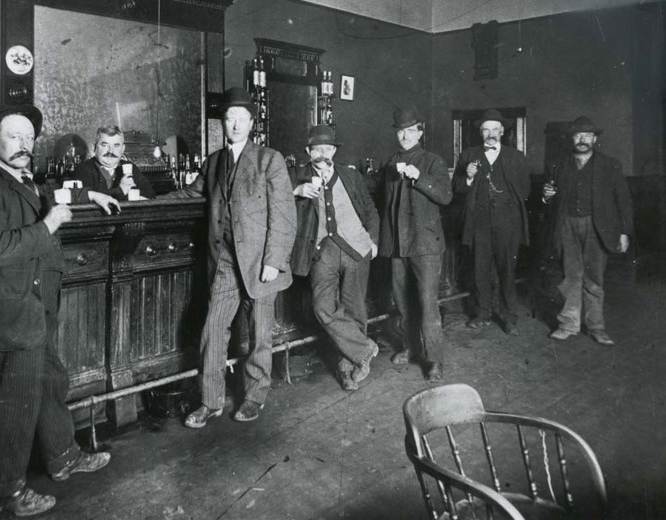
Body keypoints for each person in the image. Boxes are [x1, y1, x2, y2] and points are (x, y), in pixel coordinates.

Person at [0, 104, 121, 517]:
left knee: (49, 382)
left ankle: (63, 457)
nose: (24, 145)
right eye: (15, 137)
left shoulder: (24, 179)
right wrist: (47, 226)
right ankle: (4, 491)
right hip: (9, 312)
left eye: (29, 138)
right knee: (12, 402)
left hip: (33, 308)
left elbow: (55, 194)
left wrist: (93, 193)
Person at [165, 87, 296, 427]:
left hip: (260, 261)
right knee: (212, 328)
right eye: (229, 118)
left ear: (252, 123)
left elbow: (284, 215)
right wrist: (140, 200)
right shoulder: (214, 162)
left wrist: (274, 260)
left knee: (259, 333)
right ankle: (210, 401)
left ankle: (254, 397)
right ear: (222, 123)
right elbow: (190, 194)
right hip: (224, 260)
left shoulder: (270, 159)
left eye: (242, 118)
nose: (235, 124)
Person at [289, 125, 380, 391]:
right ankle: (364, 350)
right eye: (317, 149)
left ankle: (349, 369)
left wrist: (373, 240)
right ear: (308, 151)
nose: (322, 154)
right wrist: (297, 191)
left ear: (334, 152)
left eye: (327, 149)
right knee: (323, 308)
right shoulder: (296, 175)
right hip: (321, 252)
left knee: (355, 310)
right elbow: (271, 189)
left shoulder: (350, 176)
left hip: (356, 248)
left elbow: (370, 208)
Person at [543, 116, 633, 345]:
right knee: (570, 275)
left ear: (595, 138)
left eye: (587, 135)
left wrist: (624, 232)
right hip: (567, 225)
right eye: (577, 135)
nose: (582, 139)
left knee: (594, 277)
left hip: (597, 226)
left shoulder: (610, 165)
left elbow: (623, 200)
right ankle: (568, 324)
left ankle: (596, 327)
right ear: (571, 138)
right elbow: (550, 197)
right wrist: (546, 196)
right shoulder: (558, 164)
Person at [378, 107, 453, 384]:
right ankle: (411, 348)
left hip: (426, 245)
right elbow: (384, 203)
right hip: (398, 245)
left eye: (410, 130)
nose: (405, 135)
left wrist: (418, 177)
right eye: (400, 130)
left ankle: (435, 361)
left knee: (427, 304)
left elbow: (445, 196)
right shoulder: (390, 162)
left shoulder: (432, 161)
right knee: (402, 302)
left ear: (420, 132)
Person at [452, 109, 530, 336]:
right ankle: (482, 313)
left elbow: (525, 190)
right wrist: (467, 176)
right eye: (486, 129)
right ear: (480, 132)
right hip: (479, 224)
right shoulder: (468, 155)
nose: (491, 133)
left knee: (507, 270)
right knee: (480, 270)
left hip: (508, 223)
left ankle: (509, 317)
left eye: (495, 129)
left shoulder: (516, 157)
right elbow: (456, 187)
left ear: (503, 132)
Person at [73, 125, 155, 200]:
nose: (110, 151)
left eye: (116, 146)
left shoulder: (130, 167)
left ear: (123, 149)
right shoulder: (83, 169)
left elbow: (149, 195)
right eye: (104, 145)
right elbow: (86, 199)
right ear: (94, 148)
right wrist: (120, 191)